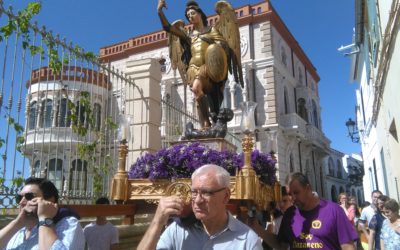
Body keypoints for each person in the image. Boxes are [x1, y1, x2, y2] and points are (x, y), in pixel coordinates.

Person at [157, 0, 243, 138]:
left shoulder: (212, 30)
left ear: (200, 14)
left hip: (206, 67)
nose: (190, 16)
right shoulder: (188, 36)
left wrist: (217, 48)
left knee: (197, 89)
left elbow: (223, 46)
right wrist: (160, 11)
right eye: (188, 15)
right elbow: (168, 27)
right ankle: (205, 126)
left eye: (192, 13)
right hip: (192, 68)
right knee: (198, 96)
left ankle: (207, 123)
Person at [137, 164, 262, 249]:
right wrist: (157, 222)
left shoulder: (247, 241)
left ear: (226, 196)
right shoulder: (178, 231)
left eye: (206, 192)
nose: (197, 200)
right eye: (194, 192)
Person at [259, 172, 358, 250]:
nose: (292, 197)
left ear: (308, 188)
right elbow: (281, 245)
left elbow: (348, 247)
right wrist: (256, 228)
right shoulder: (290, 214)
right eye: (290, 194)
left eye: (296, 192)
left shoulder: (334, 211)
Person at [0, 177, 85, 249]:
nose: (21, 202)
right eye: (19, 198)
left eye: (29, 196)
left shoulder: (68, 224)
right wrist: (17, 223)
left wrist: (45, 218)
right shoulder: (19, 230)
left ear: (50, 201)